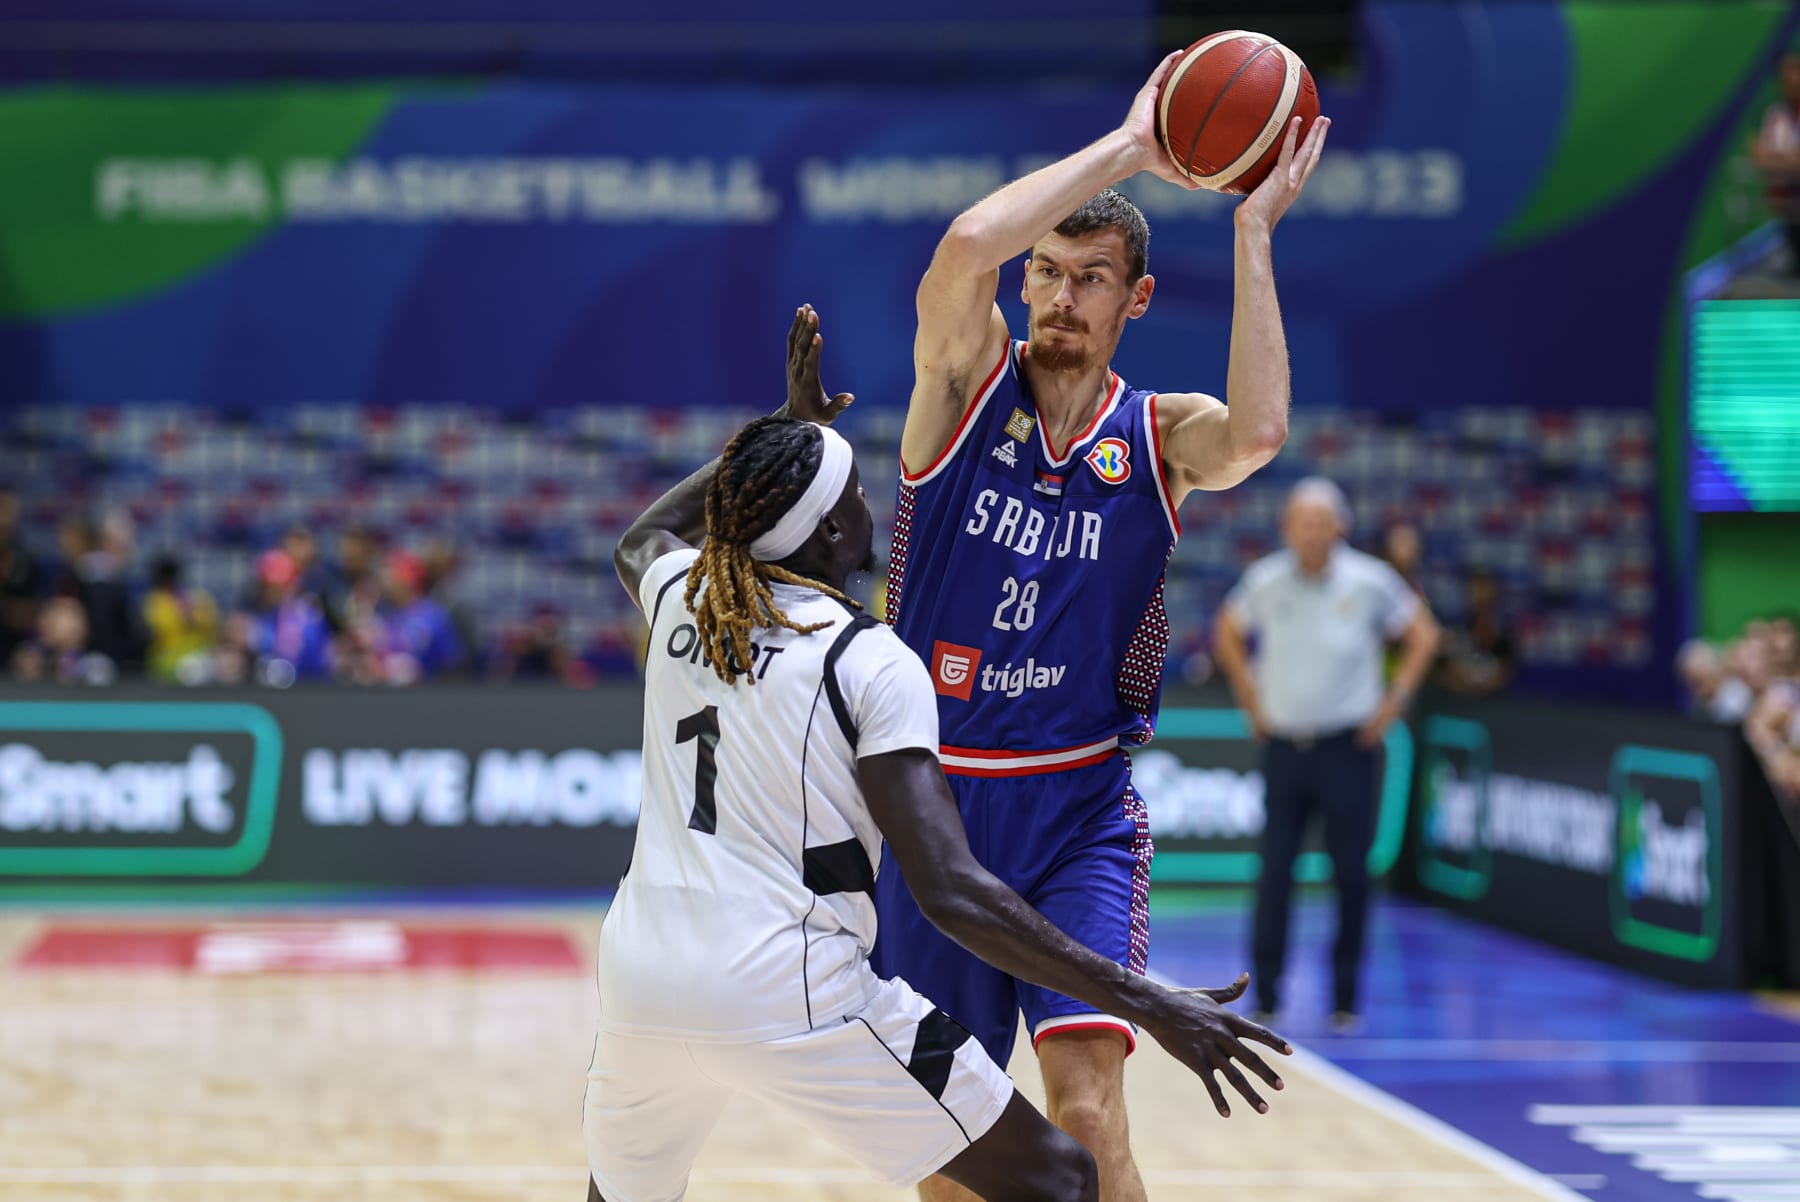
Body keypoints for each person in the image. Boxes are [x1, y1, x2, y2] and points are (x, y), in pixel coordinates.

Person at [585, 311, 1290, 1202]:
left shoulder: (688, 598)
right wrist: (1150, 1000)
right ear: (834, 540)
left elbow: (642, 535)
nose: (868, 506)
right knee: (1062, 1179)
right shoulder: (870, 657)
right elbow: (952, 890)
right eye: (849, 496)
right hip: (791, 987)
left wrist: (786, 431)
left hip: (641, 978)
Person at [867, 49, 1329, 1201]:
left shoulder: (1157, 434)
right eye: (1049, 273)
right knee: (956, 1157)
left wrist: (1253, 230)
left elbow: (1261, 433)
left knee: (1087, 1110)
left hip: (1078, 811)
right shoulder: (962, 386)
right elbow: (965, 249)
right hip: (935, 814)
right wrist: (1137, 143)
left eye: (1090, 278)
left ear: (1136, 298)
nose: (1060, 298)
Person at [1213, 478, 1441, 1031]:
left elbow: (1424, 635)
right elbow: (1225, 629)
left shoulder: (1370, 580)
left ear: (1340, 526)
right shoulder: (1266, 581)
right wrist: (1248, 697)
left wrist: (1393, 705)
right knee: (1274, 874)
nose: (1311, 533)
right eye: (1301, 522)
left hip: (1348, 748)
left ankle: (1344, 999)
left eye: (1321, 522)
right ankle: (1266, 996)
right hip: (1286, 748)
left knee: (1351, 877)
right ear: (1287, 527)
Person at [1750, 51, 1800, 275]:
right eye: (1788, 70)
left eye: (1796, 69)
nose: (1793, 77)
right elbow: (1758, 158)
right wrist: (1792, 161)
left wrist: (1778, 158)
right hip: (1786, 208)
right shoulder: (1774, 113)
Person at [1436, 568, 1516, 697]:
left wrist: (1480, 685)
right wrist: (1462, 683)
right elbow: (1441, 676)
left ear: (1495, 596)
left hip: (1495, 709)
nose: (1480, 597)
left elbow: (1506, 677)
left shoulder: (1504, 638)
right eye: (1475, 592)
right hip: (1457, 707)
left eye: (1485, 592)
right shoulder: (1455, 635)